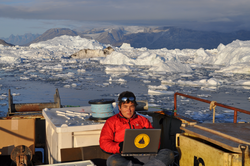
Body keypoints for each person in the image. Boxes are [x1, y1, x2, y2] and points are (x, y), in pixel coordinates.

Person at [99, 91, 174, 166]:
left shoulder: (143, 120)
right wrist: (119, 146)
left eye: (131, 106)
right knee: (113, 161)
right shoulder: (111, 122)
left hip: (144, 155)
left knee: (168, 154)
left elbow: (156, 142)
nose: (129, 110)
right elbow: (104, 143)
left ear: (135, 106)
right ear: (119, 107)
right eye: (125, 106)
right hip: (124, 157)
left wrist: (149, 145)